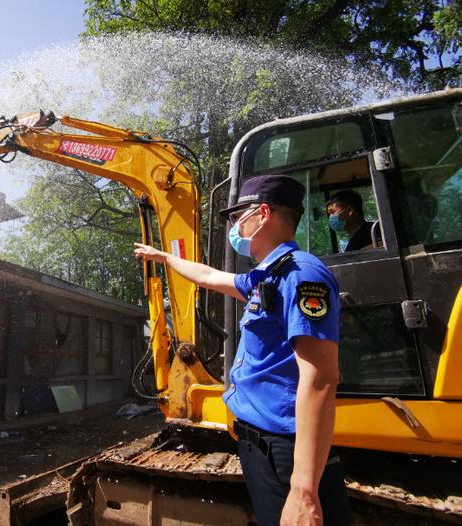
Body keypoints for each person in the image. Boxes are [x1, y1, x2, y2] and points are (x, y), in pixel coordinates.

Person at [134, 174, 351, 526]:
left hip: (282, 448)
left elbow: (322, 379)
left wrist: (303, 489)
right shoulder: (266, 276)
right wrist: (164, 257)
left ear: (262, 213)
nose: (235, 226)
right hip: (260, 443)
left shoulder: (301, 275)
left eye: (238, 217)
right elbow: (207, 275)